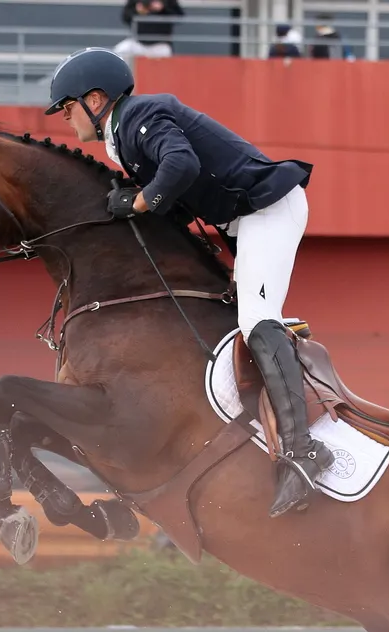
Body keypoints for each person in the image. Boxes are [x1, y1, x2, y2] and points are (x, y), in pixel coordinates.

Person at [44, 47, 332, 518]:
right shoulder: (124, 133)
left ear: (96, 100)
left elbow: (180, 167)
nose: (65, 118)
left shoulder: (139, 115)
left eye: (68, 107)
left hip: (267, 210)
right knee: (239, 314)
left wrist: (138, 202)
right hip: (245, 221)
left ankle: (302, 455)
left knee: (258, 322)